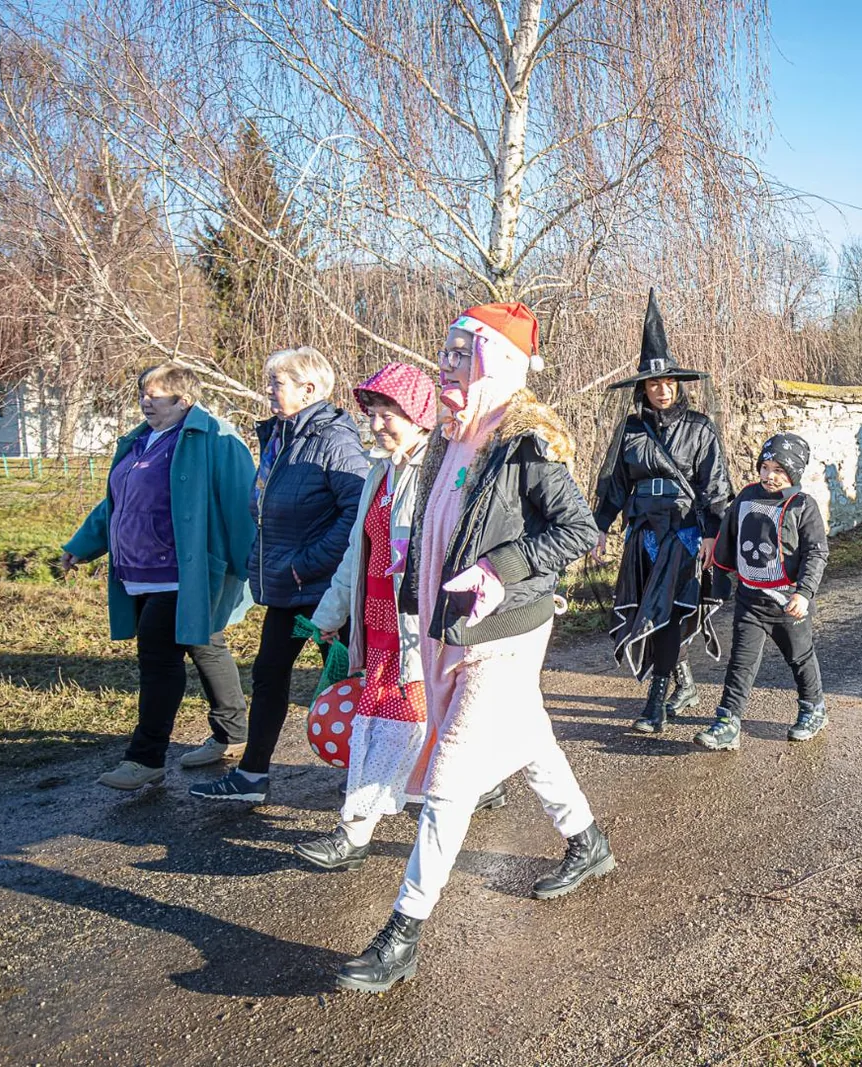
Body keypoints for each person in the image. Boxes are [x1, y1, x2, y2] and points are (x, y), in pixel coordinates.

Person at [337, 302, 606, 994]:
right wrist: (407, 611)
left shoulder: (525, 443)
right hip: (449, 625)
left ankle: (403, 934)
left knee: (453, 773)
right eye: (447, 348)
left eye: (463, 351)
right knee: (530, 736)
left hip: (509, 630)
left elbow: (579, 530)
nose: (446, 361)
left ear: (497, 362)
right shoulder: (452, 438)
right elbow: (430, 534)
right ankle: (586, 839)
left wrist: (498, 570)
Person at [291, 364, 505, 869]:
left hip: (421, 625)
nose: (379, 424)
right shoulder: (378, 474)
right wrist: (330, 613)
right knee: (398, 720)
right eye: (375, 414)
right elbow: (355, 552)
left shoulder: (440, 471)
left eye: (391, 414)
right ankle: (367, 823)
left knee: (411, 718)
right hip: (380, 621)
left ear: (420, 416)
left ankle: (357, 830)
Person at [62, 363, 255, 790]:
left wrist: (252, 568)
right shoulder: (140, 440)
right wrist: (82, 544)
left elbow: (242, 502)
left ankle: (145, 758)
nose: (146, 401)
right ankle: (233, 733)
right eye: (143, 394)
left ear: (184, 399)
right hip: (138, 571)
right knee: (206, 645)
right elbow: (117, 501)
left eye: (157, 394)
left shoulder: (213, 437)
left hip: (184, 573)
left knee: (158, 660)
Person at [190, 347, 368, 803]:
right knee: (269, 676)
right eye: (270, 382)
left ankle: (394, 777)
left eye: (278, 383)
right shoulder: (280, 437)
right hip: (288, 587)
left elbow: (358, 513)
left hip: (327, 589)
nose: (269, 391)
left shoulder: (335, 440)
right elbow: (267, 510)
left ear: (309, 389)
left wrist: (307, 562)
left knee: (360, 680)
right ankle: (251, 777)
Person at [592, 290, 733, 734]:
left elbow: (715, 486)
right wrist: (597, 530)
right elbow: (614, 486)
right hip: (643, 534)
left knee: (667, 607)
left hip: (686, 532)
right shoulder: (630, 431)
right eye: (654, 384)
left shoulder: (700, 429)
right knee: (647, 611)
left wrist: (712, 535)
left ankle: (655, 702)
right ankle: (684, 684)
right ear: (644, 388)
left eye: (669, 382)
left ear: (679, 384)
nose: (662, 389)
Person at [696, 433, 829, 749]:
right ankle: (728, 721)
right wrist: (721, 580)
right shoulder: (745, 498)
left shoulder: (802, 506)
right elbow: (728, 540)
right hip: (750, 599)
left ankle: (814, 708)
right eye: (765, 467)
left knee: (800, 657)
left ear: (794, 473)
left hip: (788, 602)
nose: (770, 475)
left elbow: (816, 552)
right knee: (740, 662)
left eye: (779, 470)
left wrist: (804, 593)